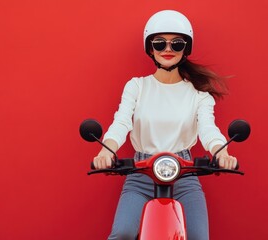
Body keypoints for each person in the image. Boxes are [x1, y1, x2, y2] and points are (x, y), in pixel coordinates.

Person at [92, 10, 237, 240]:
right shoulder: (137, 87)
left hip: (185, 173)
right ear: (150, 48)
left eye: (176, 44)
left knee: (200, 236)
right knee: (122, 233)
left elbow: (208, 129)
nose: (167, 49)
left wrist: (223, 152)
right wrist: (106, 151)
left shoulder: (198, 94)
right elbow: (121, 122)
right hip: (140, 172)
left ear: (185, 49)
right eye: (159, 43)